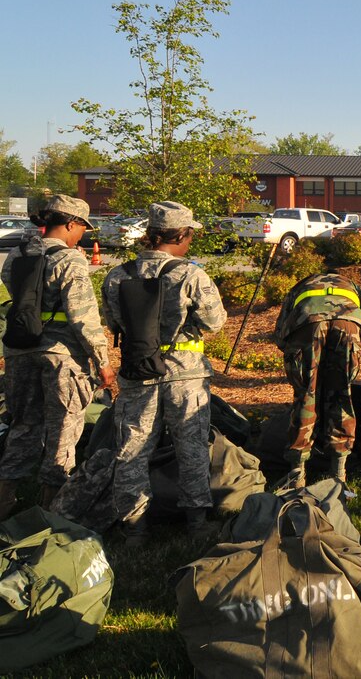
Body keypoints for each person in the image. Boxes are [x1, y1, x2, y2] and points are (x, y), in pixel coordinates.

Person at [103, 201, 226, 546]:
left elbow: (113, 322)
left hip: (137, 372)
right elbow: (214, 323)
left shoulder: (118, 274)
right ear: (182, 235)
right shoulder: (190, 274)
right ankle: (197, 522)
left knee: (132, 449)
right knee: (191, 447)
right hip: (184, 376)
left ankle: (135, 528)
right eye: (190, 236)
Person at [0, 195, 116, 519]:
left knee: (23, 425)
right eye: (82, 228)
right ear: (69, 224)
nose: (83, 235)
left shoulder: (16, 255)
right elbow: (83, 316)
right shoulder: (70, 260)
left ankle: (5, 501)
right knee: (63, 430)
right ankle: (49, 513)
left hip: (20, 351)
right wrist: (103, 361)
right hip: (61, 355)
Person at [274, 270, 361, 491]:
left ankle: (297, 475)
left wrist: (300, 356)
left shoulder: (301, 285)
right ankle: (338, 474)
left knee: (305, 396)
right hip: (348, 324)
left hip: (306, 323)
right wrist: (355, 352)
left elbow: (279, 334)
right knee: (342, 395)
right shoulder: (351, 285)